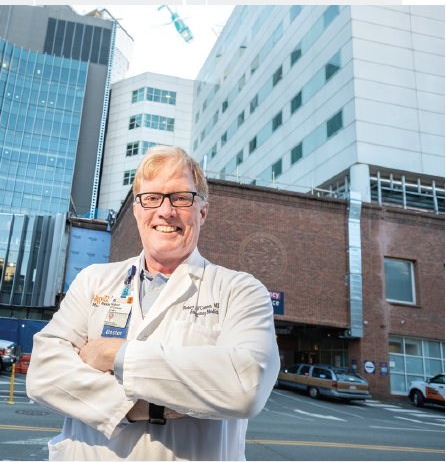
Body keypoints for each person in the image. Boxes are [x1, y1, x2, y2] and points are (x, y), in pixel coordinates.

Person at [27, 146, 279, 461]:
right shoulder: (93, 281)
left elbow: (244, 385)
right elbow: (43, 373)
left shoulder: (241, 291)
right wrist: (149, 407)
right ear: (137, 210)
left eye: (181, 198)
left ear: (202, 211)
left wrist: (113, 354)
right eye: (152, 198)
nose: (166, 211)